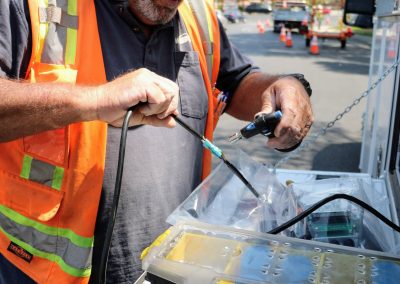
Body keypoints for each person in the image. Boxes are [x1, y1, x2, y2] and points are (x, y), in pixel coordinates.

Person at [0, 0, 313, 283]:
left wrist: (282, 86)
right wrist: (93, 100)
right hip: (43, 273)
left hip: (177, 268)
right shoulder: (32, 7)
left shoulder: (197, 14)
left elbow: (237, 80)